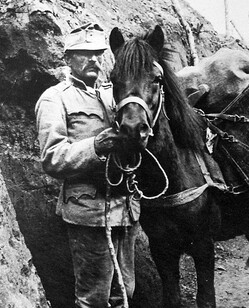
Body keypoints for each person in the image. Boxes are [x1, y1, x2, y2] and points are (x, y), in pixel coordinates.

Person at [35, 23, 139, 307]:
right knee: (94, 297)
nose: (94, 59)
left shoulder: (112, 94)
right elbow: (52, 158)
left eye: (98, 53)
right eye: (84, 53)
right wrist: (96, 146)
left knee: (124, 292)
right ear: (68, 58)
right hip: (88, 212)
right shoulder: (55, 99)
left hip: (126, 209)